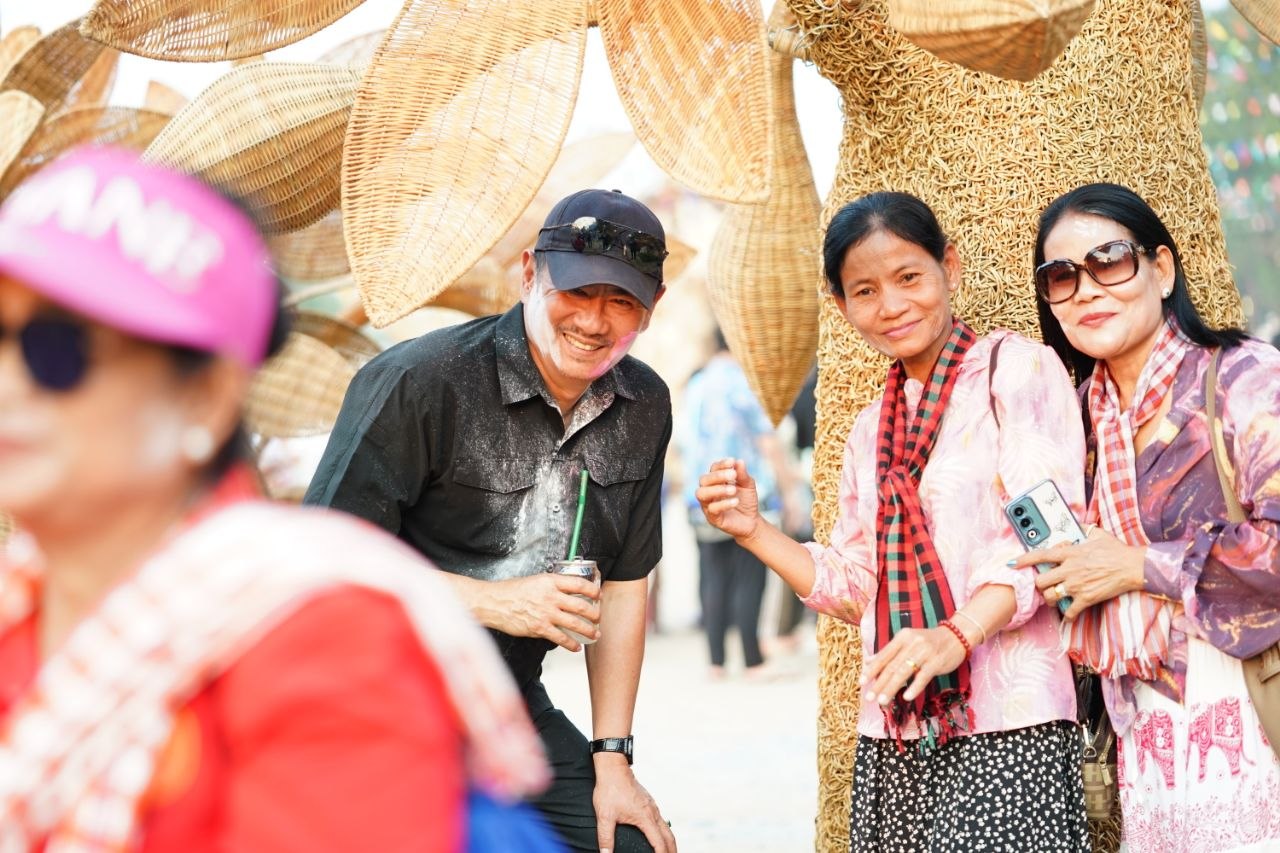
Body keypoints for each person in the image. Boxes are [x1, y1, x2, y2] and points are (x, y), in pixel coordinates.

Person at [0, 147, 551, 850]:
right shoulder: (19, 602)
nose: (8, 380)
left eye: (58, 349)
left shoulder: (321, 634)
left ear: (205, 397)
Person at [696, 191, 1089, 850]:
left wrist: (955, 634)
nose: (892, 305)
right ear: (842, 306)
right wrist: (754, 530)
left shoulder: (1015, 371)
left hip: (1012, 719)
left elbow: (1050, 539)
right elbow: (857, 586)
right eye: (865, 291)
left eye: (909, 277)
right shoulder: (871, 431)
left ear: (949, 268)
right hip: (898, 729)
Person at [306, 189, 678, 853]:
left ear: (651, 309)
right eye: (577, 290)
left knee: (628, 843)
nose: (594, 321)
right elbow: (321, 564)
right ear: (530, 272)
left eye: (621, 301)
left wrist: (613, 759)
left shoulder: (645, 402)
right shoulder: (419, 380)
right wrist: (495, 601)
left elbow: (625, 583)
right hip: (366, 701)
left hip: (504, 702)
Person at [1014, 182, 1280, 851]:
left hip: (1252, 705)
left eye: (1109, 261)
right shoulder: (1075, 421)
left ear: (1161, 270)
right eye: (1062, 277)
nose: (1087, 290)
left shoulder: (1245, 378)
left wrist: (1137, 566)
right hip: (1147, 737)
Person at [678, 328, 795, 680]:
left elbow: (684, 442)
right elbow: (768, 442)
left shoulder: (697, 385)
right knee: (749, 577)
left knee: (712, 576)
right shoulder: (745, 383)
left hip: (701, 494)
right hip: (744, 495)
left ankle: (715, 661)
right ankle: (751, 659)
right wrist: (789, 490)